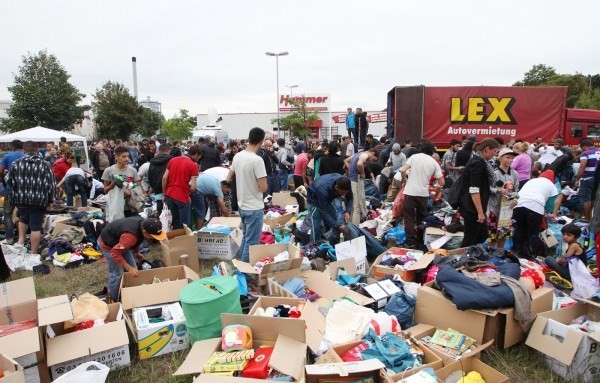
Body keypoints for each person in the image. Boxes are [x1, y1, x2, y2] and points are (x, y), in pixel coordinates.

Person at [98, 216, 166, 302]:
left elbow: (138, 240)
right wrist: (129, 268)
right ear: (145, 232)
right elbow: (114, 253)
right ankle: (114, 299)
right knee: (117, 273)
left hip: (121, 242)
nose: (153, 238)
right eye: (152, 236)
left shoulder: (143, 224)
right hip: (109, 245)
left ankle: (129, 291)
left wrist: (136, 252)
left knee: (134, 268)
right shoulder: (130, 237)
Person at [6, 141, 55, 255]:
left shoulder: (16, 163)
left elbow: (9, 181)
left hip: (21, 200)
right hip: (39, 200)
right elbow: (51, 184)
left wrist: (14, 195)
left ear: (24, 150)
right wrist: (51, 200)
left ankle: (20, 243)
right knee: (35, 227)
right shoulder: (45, 164)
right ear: (38, 150)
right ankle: (33, 253)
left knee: (23, 219)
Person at [227, 127, 267, 262]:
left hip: (242, 205)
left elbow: (228, 177)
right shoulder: (257, 160)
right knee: (251, 242)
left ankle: (240, 266)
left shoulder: (238, 156)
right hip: (254, 207)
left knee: (246, 237)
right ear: (261, 141)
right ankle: (244, 272)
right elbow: (264, 187)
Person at [400, 141, 445, 248]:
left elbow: (403, 170)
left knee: (409, 218)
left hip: (410, 193)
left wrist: (404, 182)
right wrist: (436, 194)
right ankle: (420, 241)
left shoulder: (414, 157)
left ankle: (410, 242)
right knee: (421, 219)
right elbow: (441, 183)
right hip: (423, 195)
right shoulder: (434, 162)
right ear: (431, 151)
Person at [458, 138, 500, 247]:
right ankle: (463, 259)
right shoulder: (477, 163)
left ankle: (472, 256)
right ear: (487, 149)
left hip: (474, 206)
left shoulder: (478, 161)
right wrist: (480, 212)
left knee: (481, 235)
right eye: (494, 151)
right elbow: (474, 189)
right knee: (470, 238)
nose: (494, 155)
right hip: (473, 208)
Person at [513, 170, 559, 256]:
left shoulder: (531, 180)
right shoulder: (552, 186)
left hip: (518, 205)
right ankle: (532, 253)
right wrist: (548, 212)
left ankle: (517, 251)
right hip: (535, 207)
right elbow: (550, 205)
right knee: (533, 233)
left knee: (520, 229)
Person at [162, 145, 202, 230]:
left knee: (173, 222)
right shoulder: (193, 165)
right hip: (182, 197)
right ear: (196, 155)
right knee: (184, 225)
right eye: (198, 157)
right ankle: (183, 241)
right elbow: (193, 187)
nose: (198, 159)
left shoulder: (172, 160)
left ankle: (174, 240)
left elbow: (164, 178)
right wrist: (187, 194)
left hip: (169, 194)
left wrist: (164, 194)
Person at [487, 148, 519, 249]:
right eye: (507, 157)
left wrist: (515, 200)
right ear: (500, 158)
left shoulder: (514, 173)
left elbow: (516, 189)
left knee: (503, 234)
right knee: (492, 235)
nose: (510, 160)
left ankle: (499, 253)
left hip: (507, 209)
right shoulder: (494, 173)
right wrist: (498, 191)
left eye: (512, 158)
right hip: (494, 209)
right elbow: (487, 188)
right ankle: (491, 254)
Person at [307, 174, 353, 243]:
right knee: (316, 224)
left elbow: (350, 198)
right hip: (314, 199)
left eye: (346, 193)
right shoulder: (323, 189)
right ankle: (314, 246)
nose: (344, 195)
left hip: (329, 197)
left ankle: (334, 244)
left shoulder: (345, 184)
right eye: (343, 192)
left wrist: (348, 211)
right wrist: (337, 226)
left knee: (335, 219)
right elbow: (323, 211)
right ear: (336, 187)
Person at [102, 146, 141, 222]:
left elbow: (138, 186)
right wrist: (113, 184)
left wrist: (127, 189)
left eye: (127, 156)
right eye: (123, 156)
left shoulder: (132, 170)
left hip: (130, 206)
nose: (126, 159)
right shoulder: (109, 171)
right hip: (115, 206)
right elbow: (105, 190)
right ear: (116, 157)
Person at [0, 140, 25, 244]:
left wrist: (4, 183)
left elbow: (0, 171)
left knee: (7, 213)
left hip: (11, 188)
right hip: (24, 190)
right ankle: (22, 238)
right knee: (23, 214)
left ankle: (9, 238)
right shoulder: (25, 156)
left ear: (13, 146)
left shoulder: (7, 157)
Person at [345, 149, 379, 225]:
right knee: (357, 207)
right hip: (355, 181)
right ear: (372, 153)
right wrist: (362, 173)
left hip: (351, 180)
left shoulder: (357, 154)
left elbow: (346, 161)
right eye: (372, 159)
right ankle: (355, 229)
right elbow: (360, 164)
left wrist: (351, 170)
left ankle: (351, 226)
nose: (371, 160)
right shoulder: (364, 155)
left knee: (353, 206)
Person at [575, 139, 599, 221]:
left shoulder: (585, 153)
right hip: (598, 179)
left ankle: (587, 219)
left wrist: (577, 179)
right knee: (596, 199)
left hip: (588, 178)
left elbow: (582, 166)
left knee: (587, 199)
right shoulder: (599, 151)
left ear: (584, 147)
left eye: (582, 148)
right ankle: (595, 218)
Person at [148, 143, 172, 216]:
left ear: (159, 150)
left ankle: (158, 225)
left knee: (160, 210)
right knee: (170, 212)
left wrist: (153, 187)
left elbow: (150, 175)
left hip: (157, 188)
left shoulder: (152, 161)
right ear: (169, 151)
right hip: (169, 188)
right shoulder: (172, 160)